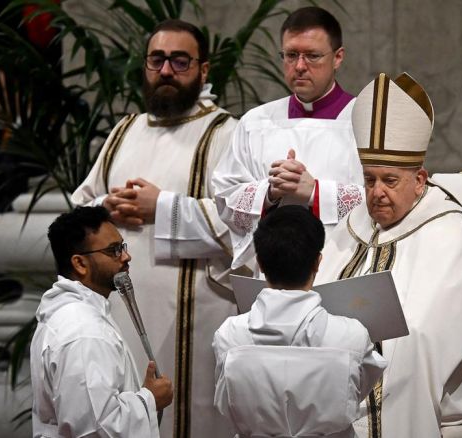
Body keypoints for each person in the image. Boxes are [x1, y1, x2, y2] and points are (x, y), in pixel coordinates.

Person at [71, 19, 240, 438]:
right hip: (116, 317)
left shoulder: (226, 134)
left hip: (196, 320)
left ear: (203, 70)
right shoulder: (122, 132)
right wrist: (105, 209)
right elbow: (77, 210)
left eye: (180, 61)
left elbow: (241, 222)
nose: (166, 70)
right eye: (157, 59)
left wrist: (162, 208)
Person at [316, 73, 462, 438]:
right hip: (348, 371)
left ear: (420, 180)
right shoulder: (355, 222)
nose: (376, 193)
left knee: (403, 344)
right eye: (369, 180)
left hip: (449, 383)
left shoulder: (451, 229)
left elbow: (430, 324)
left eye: (390, 181)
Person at [208, 6, 364, 269]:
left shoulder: (364, 121)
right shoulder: (256, 123)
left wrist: (315, 192)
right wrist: (269, 192)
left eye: (312, 56)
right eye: (291, 55)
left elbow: (387, 198)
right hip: (273, 274)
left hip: (344, 268)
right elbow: (224, 196)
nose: (300, 66)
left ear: (338, 57)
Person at [212, 205, 386, 437]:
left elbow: (226, 403)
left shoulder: (230, 335)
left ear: (260, 264)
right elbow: (358, 391)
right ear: (317, 262)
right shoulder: (350, 335)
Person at [31, 206, 173, 437]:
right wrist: (150, 398)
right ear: (80, 263)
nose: (126, 257)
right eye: (113, 250)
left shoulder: (71, 313)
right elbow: (93, 428)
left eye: (123, 247)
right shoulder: (83, 330)